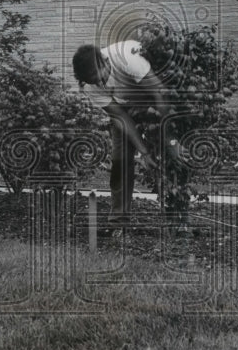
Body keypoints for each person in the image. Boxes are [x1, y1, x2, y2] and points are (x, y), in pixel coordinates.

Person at [72, 40, 178, 227]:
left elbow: (160, 94)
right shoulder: (89, 86)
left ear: (105, 61)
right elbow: (120, 118)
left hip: (150, 97)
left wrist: (170, 140)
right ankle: (119, 221)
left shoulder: (127, 59)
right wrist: (143, 152)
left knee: (170, 154)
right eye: (94, 82)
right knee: (120, 159)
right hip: (124, 106)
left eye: (100, 78)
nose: (99, 83)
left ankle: (176, 214)